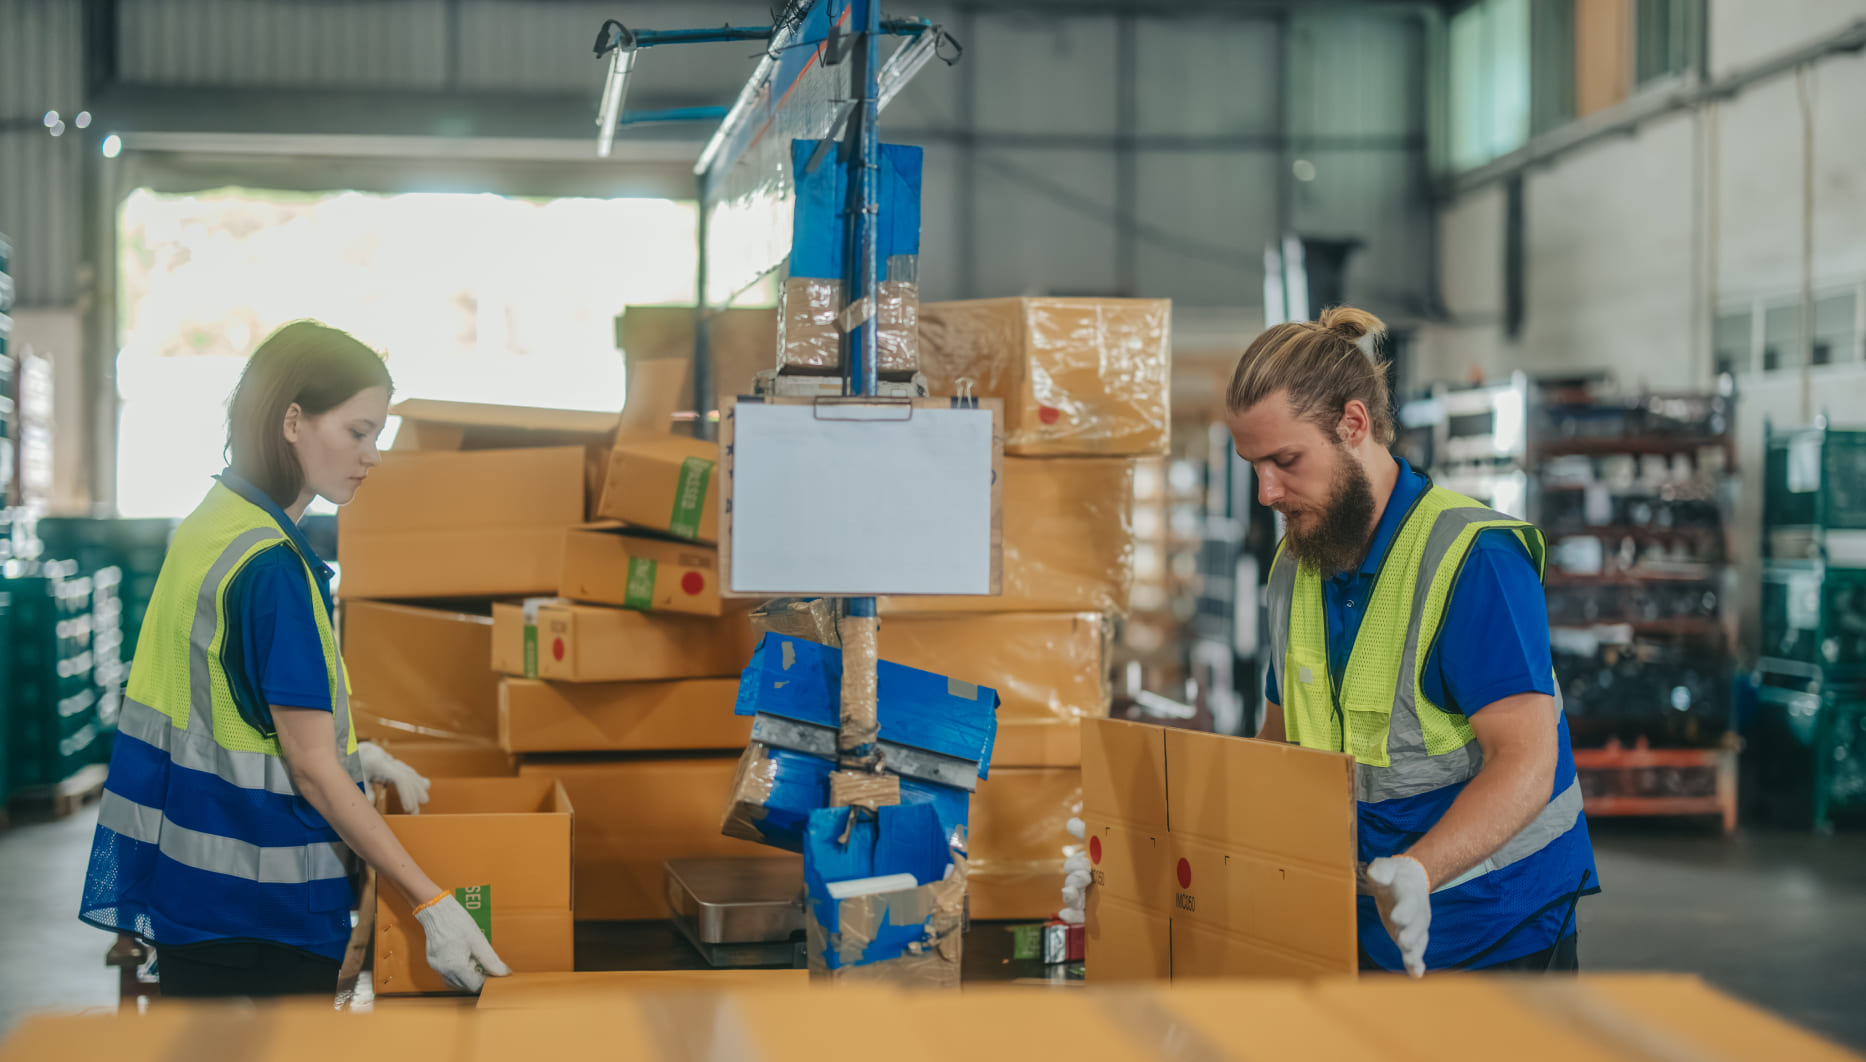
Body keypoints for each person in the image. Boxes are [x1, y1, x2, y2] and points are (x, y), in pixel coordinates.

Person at [79, 321, 509, 997]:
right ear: (292, 421)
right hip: (261, 907)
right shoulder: (274, 568)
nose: (372, 455)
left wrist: (354, 755)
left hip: (188, 889)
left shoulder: (213, 521)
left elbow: (223, 697)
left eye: (379, 435)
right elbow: (309, 770)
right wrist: (431, 902)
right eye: (358, 431)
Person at [1227, 305, 1597, 977]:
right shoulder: (1294, 570)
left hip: (1499, 927)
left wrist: (1418, 873)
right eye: (1254, 466)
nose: (1266, 492)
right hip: (1364, 930)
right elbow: (1279, 742)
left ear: (1354, 425)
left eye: (1284, 461)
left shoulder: (1471, 560)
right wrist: (1157, 847)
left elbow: (1526, 763)